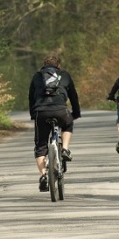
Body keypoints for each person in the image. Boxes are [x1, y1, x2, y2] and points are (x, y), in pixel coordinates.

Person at [28, 55, 81, 192]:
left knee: (40, 145)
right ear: (58, 65)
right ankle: (65, 149)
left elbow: (31, 97)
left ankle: (43, 175)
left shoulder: (37, 76)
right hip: (60, 111)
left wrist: (34, 114)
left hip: (41, 112)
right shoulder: (64, 75)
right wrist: (76, 113)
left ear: (43, 65)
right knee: (68, 124)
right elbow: (73, 96)